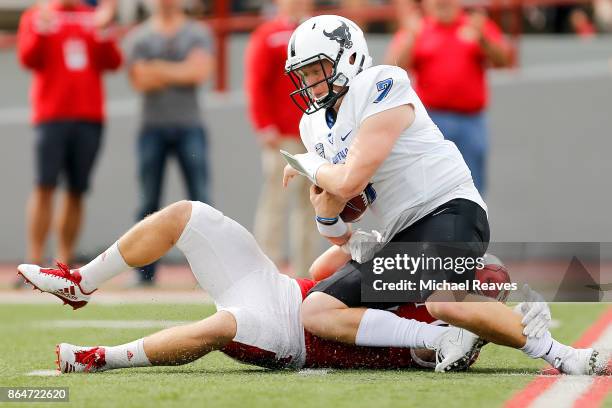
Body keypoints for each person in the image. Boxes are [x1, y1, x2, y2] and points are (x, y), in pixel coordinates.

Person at [282, 15, 605, 374]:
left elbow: (347, 182)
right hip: (401, 232)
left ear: (350, 57)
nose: (311, 82)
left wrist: (307, 164)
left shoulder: (381, 82)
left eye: (318, 69)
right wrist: (327, 216)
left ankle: (562, 354)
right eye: (304, 74)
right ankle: (439, 339)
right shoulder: (312, 124)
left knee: (445, 302)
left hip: (448, 210)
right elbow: (344, 207)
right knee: (316, 309)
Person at [17, 200, 480, 373]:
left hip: (289, 337)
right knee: (188, 215)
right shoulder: (416, 267)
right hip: (274, 285)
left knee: (222, 326)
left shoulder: (438, 327)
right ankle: (80, 282)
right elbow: (322, 268)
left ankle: (101, 358)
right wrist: (361, 243)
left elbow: (433, 345)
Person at [16, 0, 121, 272]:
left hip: (88, 116)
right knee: (44, 186)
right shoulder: (38, 15)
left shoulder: (92, 17)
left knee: (76, 190)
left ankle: (63, 263)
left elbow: (112, 61)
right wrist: (42, 27)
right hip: (50, 116)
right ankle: (34, 261)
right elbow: (27, 57)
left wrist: (105, 29)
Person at [123, 0, 214, 286]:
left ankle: (209, 272)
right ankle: (144, 274)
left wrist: (157, 69)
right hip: (152, 127)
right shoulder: (138, 36)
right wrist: (179, 70)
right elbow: (140, 80)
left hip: (189, 125)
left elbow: (198, 73)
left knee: (200, 202)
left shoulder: (198, 32)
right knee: (147, 202)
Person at [385, 0, 512, 194]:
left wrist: (482, 38)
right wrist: (410, 37)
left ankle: (472, 223)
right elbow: (392, 70)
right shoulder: (418, 29)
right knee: (430, 186)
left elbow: (504, 61)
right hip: (431, 122)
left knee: (473, 185)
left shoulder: (475, 25)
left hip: (471, 120)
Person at [245, 0, 319, 277]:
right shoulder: (269, 34)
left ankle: (305, 272)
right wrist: (264, 124)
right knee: (275, 202)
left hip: (313, 134)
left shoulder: (318, 30)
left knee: (311, 204)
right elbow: (256, 82)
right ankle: (266, 271)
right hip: (283, 134)